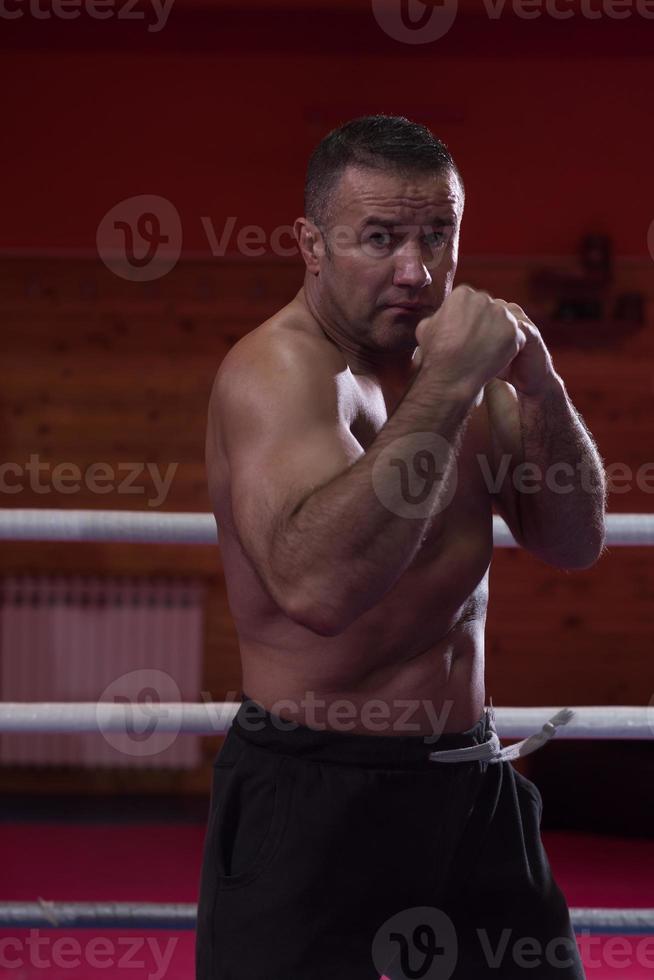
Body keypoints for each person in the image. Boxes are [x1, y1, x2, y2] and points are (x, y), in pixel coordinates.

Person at [195, 115, 605, 979]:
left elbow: (574, 543)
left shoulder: (468, 369)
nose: (416, 272)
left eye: (438, 235)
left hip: (470, 783)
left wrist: (541, 387)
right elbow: (321, 590)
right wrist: (454, 384)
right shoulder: (278, 375)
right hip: (315, 794)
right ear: (312, 244)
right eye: (380, 238)